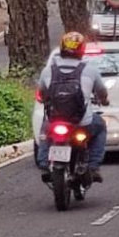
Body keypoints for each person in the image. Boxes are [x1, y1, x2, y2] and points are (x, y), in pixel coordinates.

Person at [37, 32, 110, 184]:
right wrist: (104, 101)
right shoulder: (90, 70)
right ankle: (94, 166)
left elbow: (42, 93)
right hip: (81, 122)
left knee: (45, 130)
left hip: (55, 120)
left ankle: (44, 164)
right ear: (81, 50)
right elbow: (102, 93)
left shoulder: (48, 70)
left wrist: (45, 100)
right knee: (101, 126)